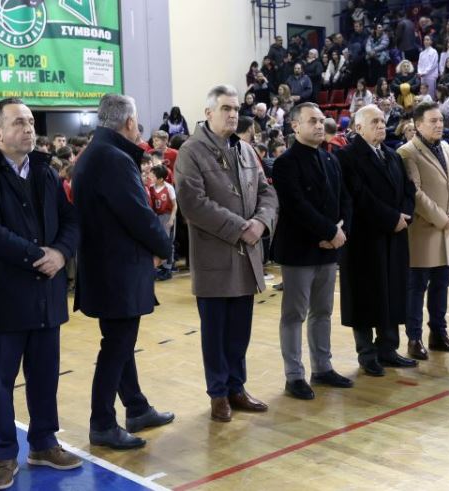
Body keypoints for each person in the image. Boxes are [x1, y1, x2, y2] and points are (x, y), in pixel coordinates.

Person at [0, 98, 81, 489]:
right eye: (18, 123)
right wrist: (37, 256)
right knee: (0, 381)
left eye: (30, 121)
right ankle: (3, 455)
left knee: (44, 376)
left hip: (45, 294)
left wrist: (61, 253)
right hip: (2, 298)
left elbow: (70, 220)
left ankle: (43, 443)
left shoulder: (45, 172)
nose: (29, 128)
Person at [74, 94, 175, 451]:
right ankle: (102, 423)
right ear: (129, 122)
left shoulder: (95, 153)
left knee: (120, 344)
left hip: (106, 267)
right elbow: (138, 214)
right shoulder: (113, 158)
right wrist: (165, 248)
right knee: (116, 347)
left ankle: (136, 407)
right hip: (118, 269)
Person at [175, 85, 278, 422]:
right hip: (215, 258)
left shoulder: (246, 150)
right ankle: (218, 393)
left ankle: (237, 387)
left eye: (236, 109)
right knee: (215, 333)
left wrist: (261, 223)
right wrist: (240, 227)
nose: (233, 114)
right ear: (208, 113)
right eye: (226, 108)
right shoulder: (191, 151)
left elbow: (267, 193)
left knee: (239, 332)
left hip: (247, 257)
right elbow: (193, 204)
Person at [271, 103, 353, 400]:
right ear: (295, 126)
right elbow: (296, 206)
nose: (319, 125)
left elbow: (345, 199)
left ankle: (322, 367)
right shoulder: (285, 163)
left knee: (323, 312)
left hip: (329, 249)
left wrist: (341, 233)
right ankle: (294, 375)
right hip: (299, 250)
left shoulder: (330, 159)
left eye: (321, 121)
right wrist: (331, 232)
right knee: (295, 314)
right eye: (312, 121)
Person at [336, 105, 417, 376]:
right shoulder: (346, 156)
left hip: (394, 236)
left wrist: (405, 216)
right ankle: (367, 353)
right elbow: (359, 196)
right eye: (374, 121)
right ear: (358, 127)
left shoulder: (392, 155)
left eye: (382, 120)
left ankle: (388, 349)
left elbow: (408, 190)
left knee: (391, 292)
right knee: (365, 296)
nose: (381, 125)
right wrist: (392, 218)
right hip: (365, 239)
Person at [397, 102, 449, 360]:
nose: (440, 124)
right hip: (424, 232)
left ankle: (438, 334)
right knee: (417, 288)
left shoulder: (448, 148)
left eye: (441, 120)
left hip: (447, 229)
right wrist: (441, 219)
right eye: (433, 121)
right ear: (418, 125)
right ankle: (414, 338)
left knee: (441, 285)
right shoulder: (407, 152)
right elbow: (415, 193)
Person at [149, 164, 178, 281]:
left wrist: (172, 218)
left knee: (168, 242)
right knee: (158, 241)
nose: (150, 177)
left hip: (167, 216)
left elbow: (175, 205)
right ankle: (160, 266)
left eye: (153, 176)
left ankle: (168, 268)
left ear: (160, 179)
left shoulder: (169, 188)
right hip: (156, 216)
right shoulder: (151, 187)